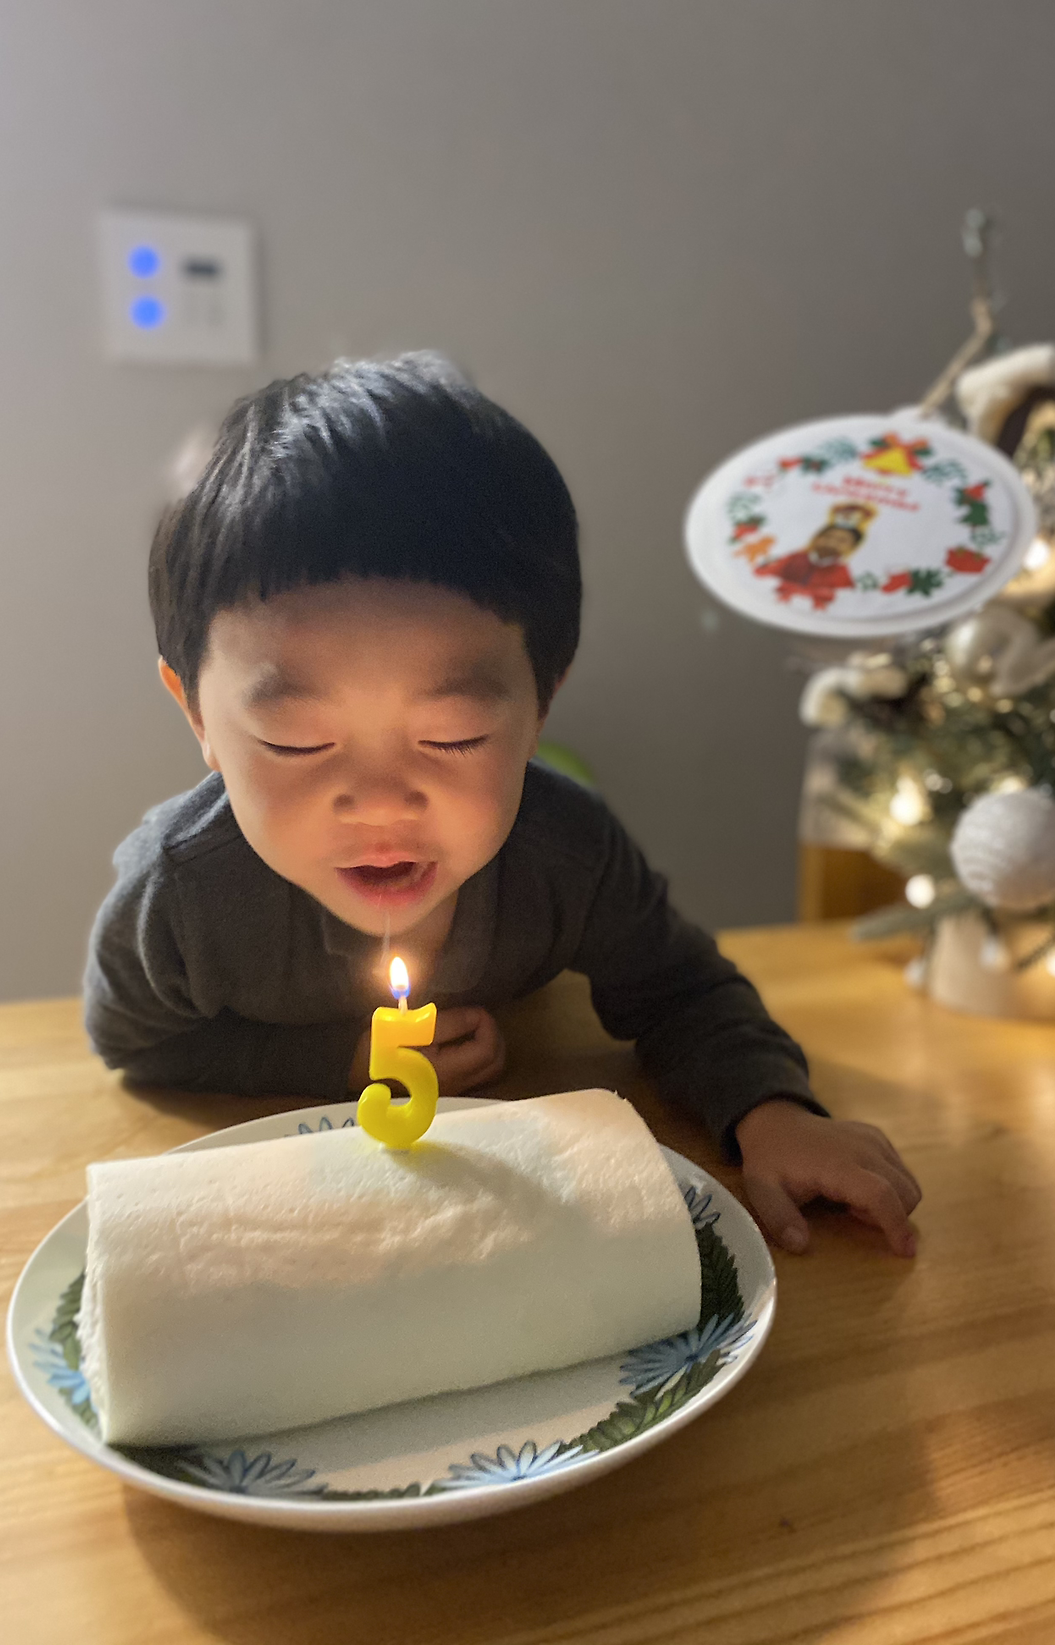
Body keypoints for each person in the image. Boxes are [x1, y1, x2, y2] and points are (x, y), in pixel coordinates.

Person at [86, 354, 920, 1256]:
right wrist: (336, 1061)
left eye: (453, 737)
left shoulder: (567, 856)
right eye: (294, 742)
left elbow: (684, 991)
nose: (380, 802)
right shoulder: (183, 894)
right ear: (196, 714)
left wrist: (772, 1112)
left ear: (541, 702)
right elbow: (135, 1043)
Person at [755, 504, 873, 610]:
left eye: (841, 541)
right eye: (828, 537)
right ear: (816, 538)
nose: (832, 543)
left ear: (851, 547)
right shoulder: (795, 557)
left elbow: (844, 597)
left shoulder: (841, 571)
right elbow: (764, 574)